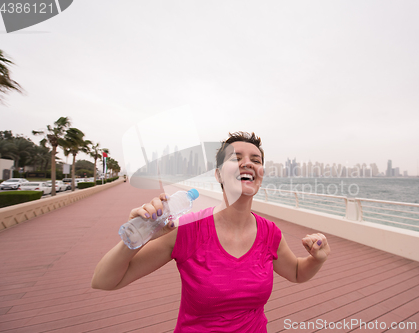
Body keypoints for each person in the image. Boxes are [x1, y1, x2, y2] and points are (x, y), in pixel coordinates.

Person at [91, 131, 330, 332]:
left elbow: (297, 272)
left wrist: (316, 259)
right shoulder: (187, 230)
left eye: (256, 160)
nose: (248, 163)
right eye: (236, 158)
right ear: (218, 175)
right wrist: (140, 235)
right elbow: (105, 281)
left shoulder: (270, 233)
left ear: (261, 174)